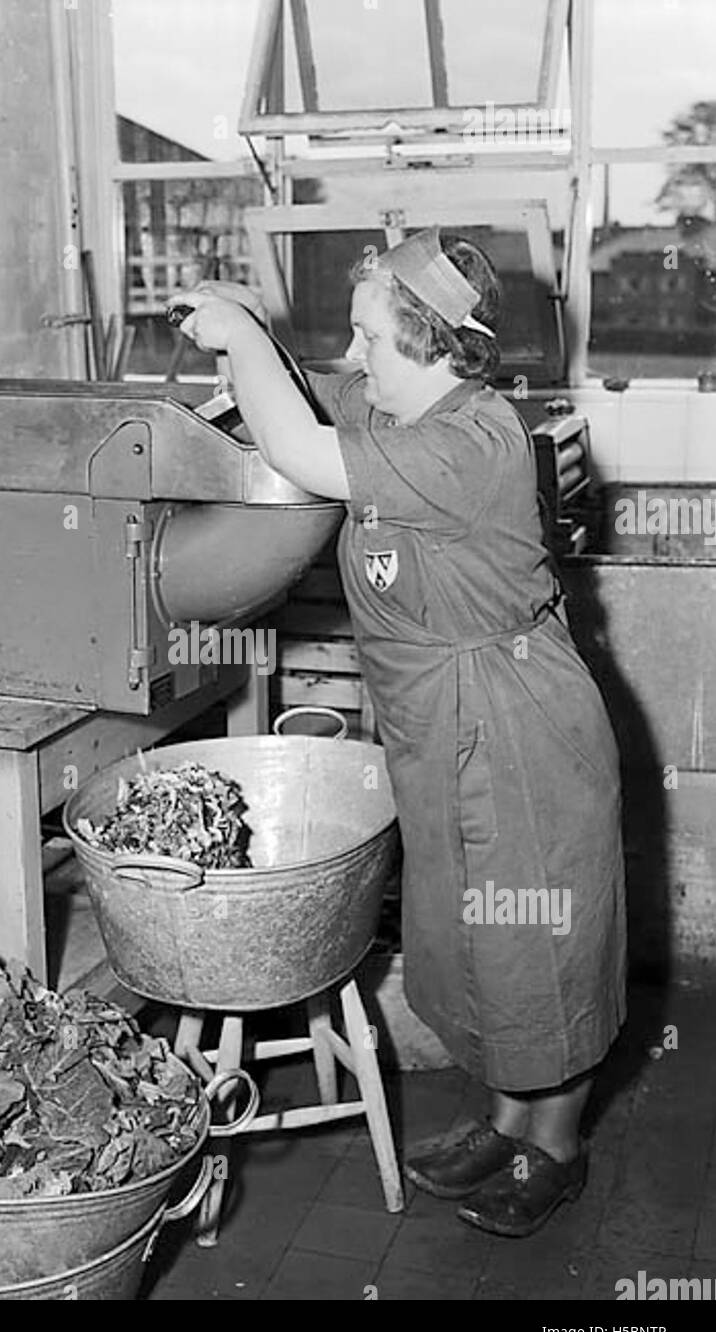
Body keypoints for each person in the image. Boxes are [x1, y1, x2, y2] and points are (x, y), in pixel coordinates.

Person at [167, 228, 626, 1239]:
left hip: (517, 732)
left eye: (370, 336)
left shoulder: (474, 441)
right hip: (439, 729)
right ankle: (503, 1119)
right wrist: (242, 331)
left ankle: (553, 1145)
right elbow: (306, 404)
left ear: (426, 341)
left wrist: (243, 334)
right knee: (468, 940)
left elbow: (296, 449)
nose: (355, 354)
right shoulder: (388, 404)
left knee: (534, 946)